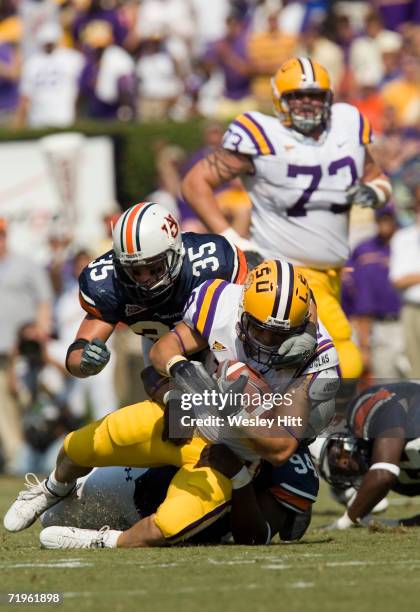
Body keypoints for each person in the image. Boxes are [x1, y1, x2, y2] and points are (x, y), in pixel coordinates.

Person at [3, 260, 336, 549]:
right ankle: (51, 487)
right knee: (83, 443)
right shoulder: (221, 303)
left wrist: (228, 406)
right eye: (260, 331)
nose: (268, 342)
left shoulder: (318, 360)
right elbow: (161, 353)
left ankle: (100, 540)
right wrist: (183, 372)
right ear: (242, 311)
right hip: (183, 420)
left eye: (280, 334)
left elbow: (279, 448)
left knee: (172, 525)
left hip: (225, 456)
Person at [181, 56, 393, 380]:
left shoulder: (347, 123)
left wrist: (376, 192)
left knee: (302, 370)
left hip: (333, 273)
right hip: (288, 273)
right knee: (345, 362)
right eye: (297, 96)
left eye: (315, 95)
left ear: (329, 98)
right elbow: (195, 183)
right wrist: (233, 238)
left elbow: (377, 176)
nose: (307, 102)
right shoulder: (261, 135)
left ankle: (288, 425)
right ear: (280, 100)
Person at [65, 200, 248, 381]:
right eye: (135, 270)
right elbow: (77, 353)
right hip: (160, 353)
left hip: (218, 345)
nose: (145, 280)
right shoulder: (105, 284)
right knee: (154, 381)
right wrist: (84, 362)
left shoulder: (212, 263)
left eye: (154, 268)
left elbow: (239, 319)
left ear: (176, 253)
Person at [39, 443, 319, 547]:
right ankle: (60, 486)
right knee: (49, 520)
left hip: (188, 524)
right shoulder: (234, 391)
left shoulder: (294, 466)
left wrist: (239, 477)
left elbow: (255, 537)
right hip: (137, 482)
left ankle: (102, 540)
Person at [316, 382, 420, 530]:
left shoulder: (361, 410)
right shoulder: (400, 482)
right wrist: (398, 523)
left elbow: (384, 473)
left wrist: (345, 521)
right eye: (341, 474)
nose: (344, 464)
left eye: (336, 457)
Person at [0, 217, 53, 472]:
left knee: (30, 403)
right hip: (1, 354)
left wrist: (41, 332)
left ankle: (36, 456)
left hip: (25, 351)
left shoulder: (25, 264)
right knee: (4, 409)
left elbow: (44, 299)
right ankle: (15, 460)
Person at [342, 204, 405, 380]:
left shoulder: (405, 245)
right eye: (381, 219)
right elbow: (357, 292)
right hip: (378, 325)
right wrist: (364, 342)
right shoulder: (363, 249)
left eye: (388, 220)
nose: (385, 224)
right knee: (386, 381)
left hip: (406, 321)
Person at [14, 22, 85, 128]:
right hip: (38, 120)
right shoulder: (32, 63)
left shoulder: (73, 59)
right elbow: (25, 97)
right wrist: (18, 123)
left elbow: (83, 89)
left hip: (65, 118)